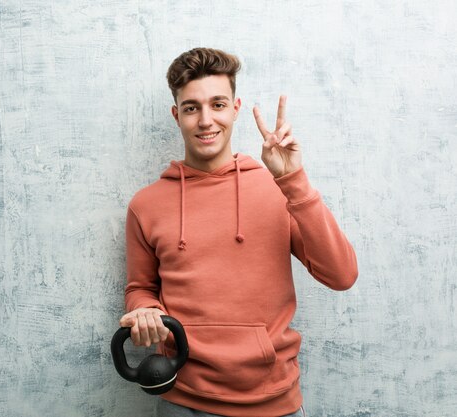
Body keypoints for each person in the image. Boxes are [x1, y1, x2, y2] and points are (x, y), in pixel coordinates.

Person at [119, 47, 358, 417]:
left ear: (235, 108)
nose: (205, 120)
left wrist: (292, 180)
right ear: (176, 114)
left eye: (217, 104)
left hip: (274, 401)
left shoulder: (278, 189)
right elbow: (140, 288)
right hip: (182, 399)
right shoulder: (146, 205)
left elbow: (342, 275)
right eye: (191, 107)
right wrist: (145, 311)